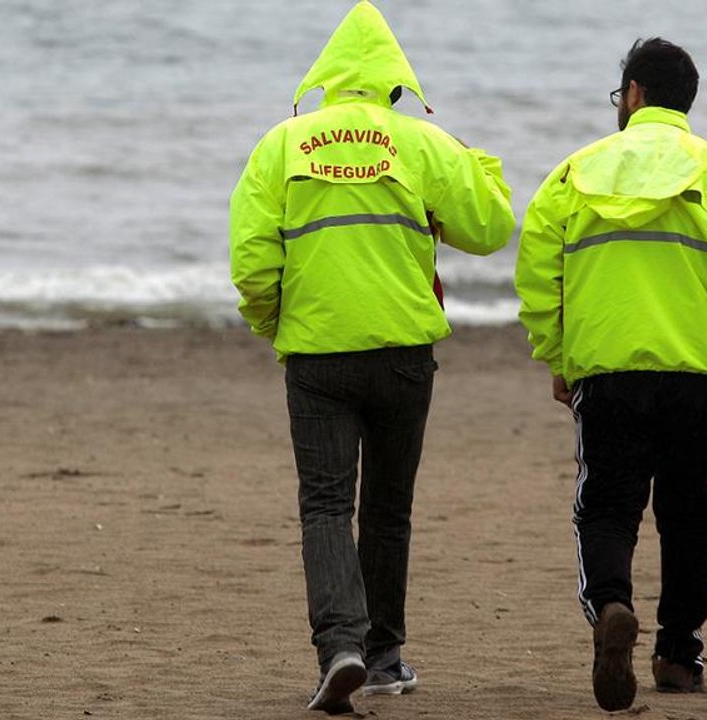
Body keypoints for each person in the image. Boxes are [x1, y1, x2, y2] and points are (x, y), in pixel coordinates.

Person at [228, 2, 514, 714]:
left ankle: (340, 649)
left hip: (318, 355)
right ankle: (383, 657)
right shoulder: (419, 142)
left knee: (325, 506)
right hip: (402, 352)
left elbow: (253, 262)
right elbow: (492, 226)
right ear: (395, 84)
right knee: (388, 509)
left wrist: (276, 324)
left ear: (325, 79)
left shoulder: (282, 144)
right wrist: (471, 157)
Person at [514, 38, 707, 711]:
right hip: (694, 373)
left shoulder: (573, 173)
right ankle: (678, 653)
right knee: (689, 511)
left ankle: (612, 606)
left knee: (607, 505)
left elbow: (536, 276)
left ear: (635, 93)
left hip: (607, 369)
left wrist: (555, 355)